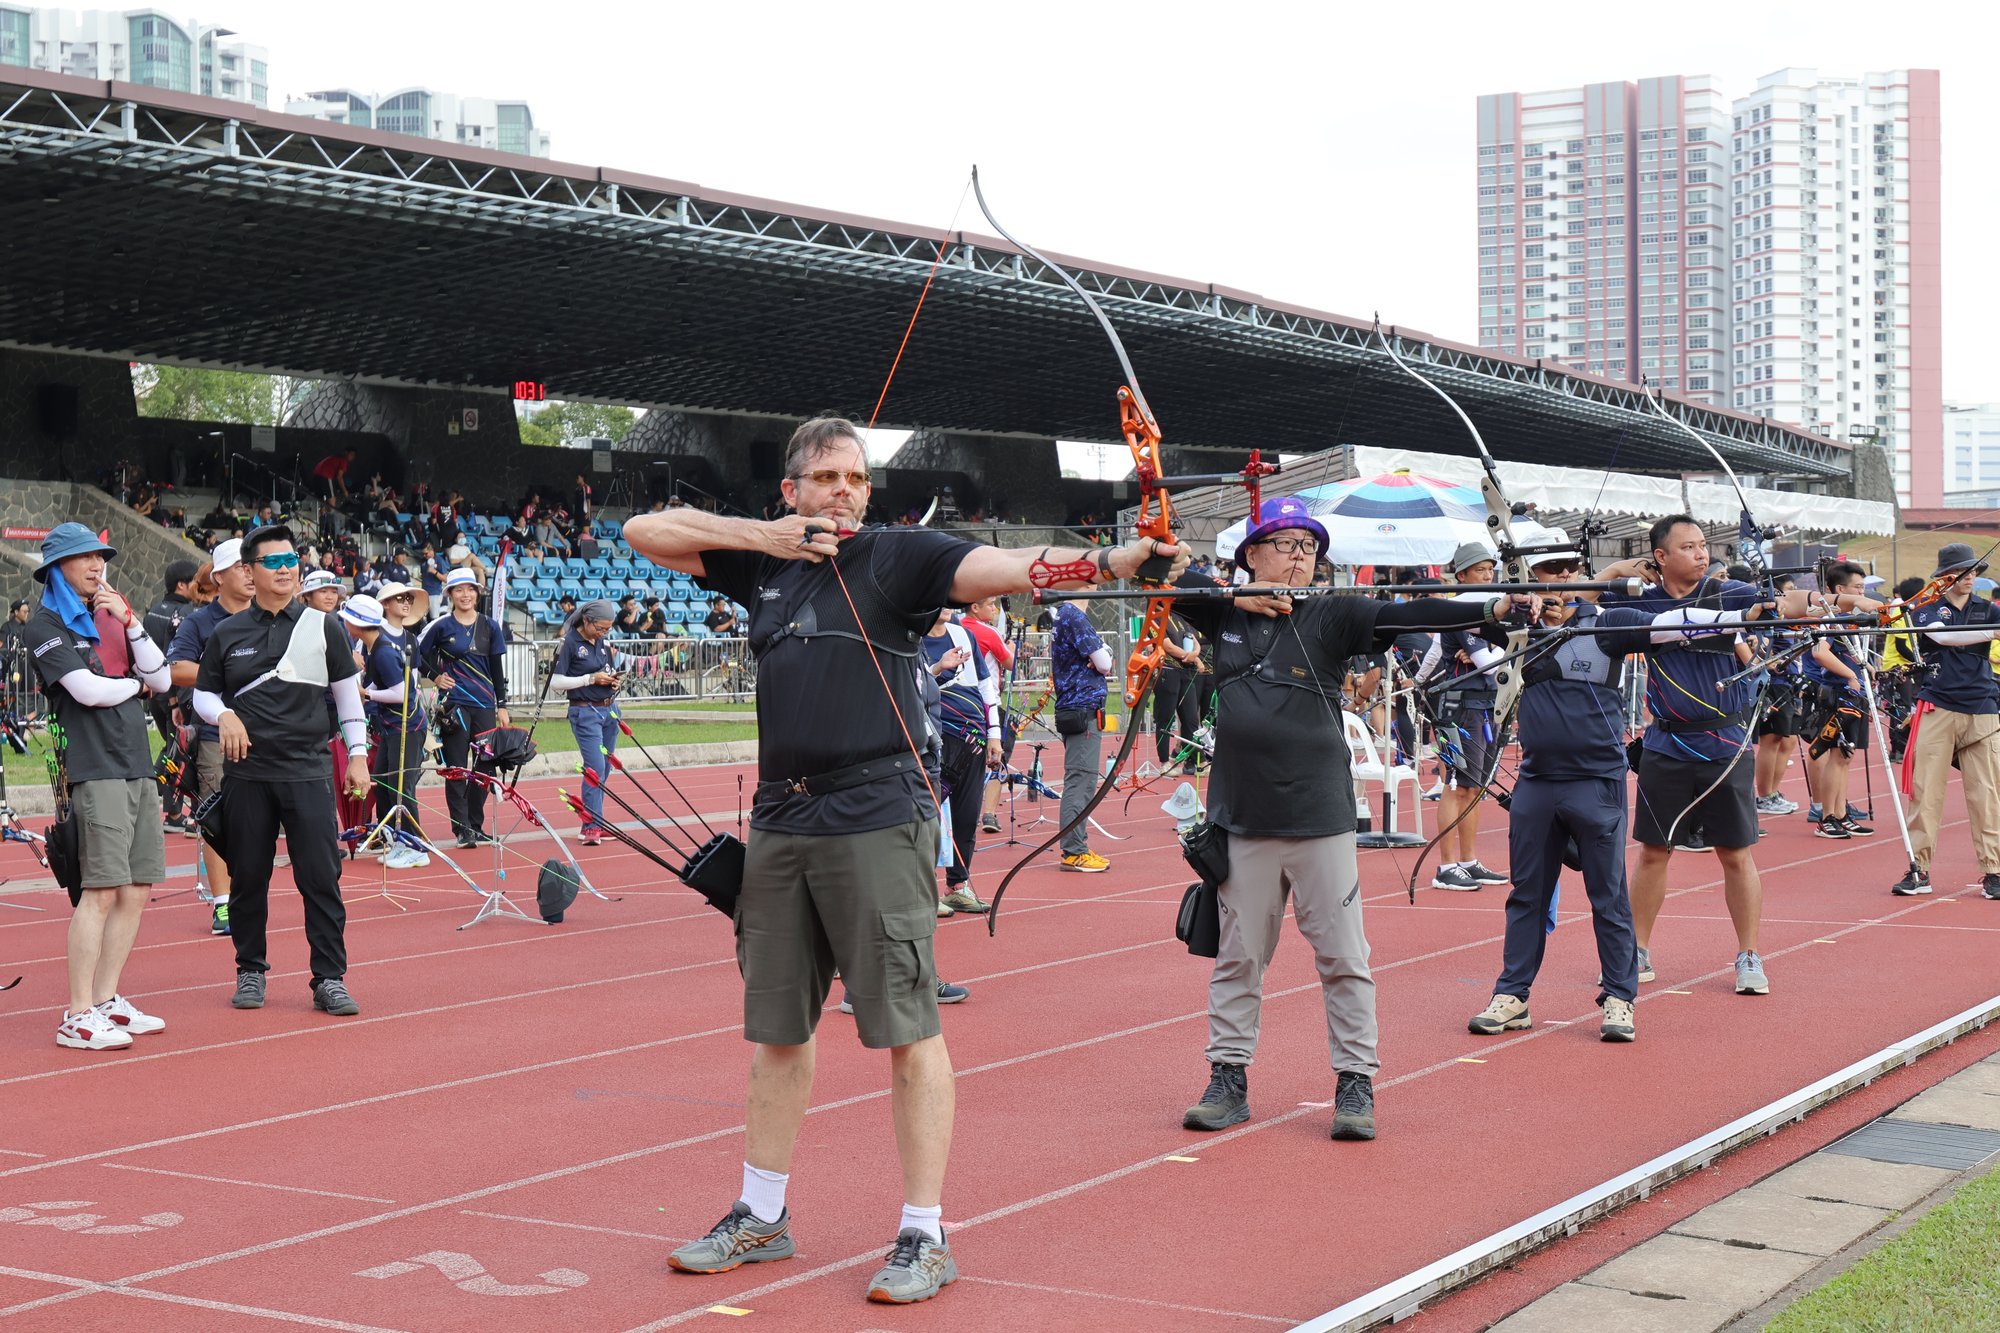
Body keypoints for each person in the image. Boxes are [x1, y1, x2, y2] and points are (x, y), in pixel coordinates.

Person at [625, 414, 1186, 1306]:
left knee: (908, 1030)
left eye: (855, 477)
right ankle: (761, 1214)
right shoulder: (765, 559)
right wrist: (763, 538)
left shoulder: (897, 556)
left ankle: (924, 1232)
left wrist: (1118, 561)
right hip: (780, 819)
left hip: (875, 814)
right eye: (827, 478)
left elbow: (1005, 569)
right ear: (794, 490)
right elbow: (642, 531)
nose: (845, 490)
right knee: (778, 1031)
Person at [1171, 498, 1530, 1142]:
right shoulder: (1221, 608)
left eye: (1310, 547)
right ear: (1250, 554)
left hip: (1319, 817)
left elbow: (1405, 614)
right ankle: (1228, 1079)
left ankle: (1355, 1082)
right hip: (1242, 817)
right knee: (1238, 958)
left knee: (1343, 957)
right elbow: (1162, 575)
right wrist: (1236, 594)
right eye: (1283, 544)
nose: (1300, 556)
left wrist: (1491, 608)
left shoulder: (1333, 611)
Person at [1594, 516, 1837, 993]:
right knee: (1653, 853)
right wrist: (1620, 567)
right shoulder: (1639, 598)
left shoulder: (1729, 593)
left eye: (1704, 545)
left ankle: (1749, 955)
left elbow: (1785, 604)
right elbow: (1580, 601)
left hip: (1725, 745)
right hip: (1666, 743)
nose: (1702, 554)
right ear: (1660, 557)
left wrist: (1816, 600)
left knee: (1735, 853)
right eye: (1689, 547)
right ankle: (1636, 951)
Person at [1467, 529, 1649, 1043]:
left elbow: (1675, 623)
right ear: (1530, 577)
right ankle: (1512, 996)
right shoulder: (1516, 633)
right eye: (1547, 570)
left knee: (1608, 897)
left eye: (1569, 568)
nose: (1560, 577)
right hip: (1538, 783)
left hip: (1597, 781)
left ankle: (1619, 999)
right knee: (1527, 895)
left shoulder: (1608, 625)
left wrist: (1613, 580)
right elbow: (1462, 616)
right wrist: (1507, 605)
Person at [192, 525, 371, 1017]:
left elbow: (346, 698)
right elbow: (204, 692)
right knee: (249, 877)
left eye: (291, 559)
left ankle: (329, 979)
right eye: (273, 562)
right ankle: (250, 969)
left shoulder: (324, 625)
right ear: (249, 571)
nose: (286, 568)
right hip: (247, 775)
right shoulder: (227, 632)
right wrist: (222, 715)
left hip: (309, 771)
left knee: (320, 877)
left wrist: (357, 755)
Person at [27, 524, 173, 1050]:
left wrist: (132, 624)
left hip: (137, 762)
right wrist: (134, 685)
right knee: (102, 890)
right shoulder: (45, 622)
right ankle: (77, 1012)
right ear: (56, 567)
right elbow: (86, 691)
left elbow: (161, 678)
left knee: (136, 890)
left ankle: (108, 1000)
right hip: (95, 767)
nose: (96, 567)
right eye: (83, 558)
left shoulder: (113, 612)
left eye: (100, 558)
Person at [1893, 543, 2000, 898]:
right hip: (1937, 705)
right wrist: (1992, 631)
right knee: (1926, 792)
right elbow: (1943, 636)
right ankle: (1919, 869)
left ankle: (1993, 871)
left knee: (1987, 794)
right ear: (1943, 577)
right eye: (1962, 572)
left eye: (1973, 572)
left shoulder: (1987, 608)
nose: (1969, 578)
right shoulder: (1926, 608)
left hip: (1983, 706)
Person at [168, 538, 254, 937]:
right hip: (214, 735)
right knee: (217, 819)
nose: (251, 572)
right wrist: (225, 670)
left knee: (258, 821)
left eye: (255, 564)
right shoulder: (199, 621)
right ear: (219, 577)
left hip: (268, 734)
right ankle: (222, 904)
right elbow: (176, 669)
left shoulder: (272, 615)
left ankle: (248, 897)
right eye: (241, 566)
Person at [1423, 541, 1509, 891]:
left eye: (1490, 569)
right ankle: (1446, 867)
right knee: (1455, 786)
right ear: (1462, 576)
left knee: (1475, 788)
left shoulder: (1486, 610)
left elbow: (1504, 653)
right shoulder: (1462, 609)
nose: (1488, 575)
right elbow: (1494, 663)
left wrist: (1491, 651)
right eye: (1480, 570)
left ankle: (1469, 861)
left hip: (1484, 706)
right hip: (1458, 709)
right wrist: (1491, 651)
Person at [417, 568, 511, 847]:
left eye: (470, 589)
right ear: (450, 594)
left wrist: (502, 706)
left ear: (477, 593)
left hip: (484, 704)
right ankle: (461, 830)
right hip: (454, 706)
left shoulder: (490, 626)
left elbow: (497, 669)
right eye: (459, 590)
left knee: (485, 766)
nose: (465, 595)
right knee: (456, 767)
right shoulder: (441, 626)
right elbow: (417, 653)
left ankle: (476, 825)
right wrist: (435, 676)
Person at [344, 595, 431, 869]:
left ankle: (416, 847)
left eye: (347, 618)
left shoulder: (382, 652)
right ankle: (396, 840)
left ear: (356, 624)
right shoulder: (372, 648)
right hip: (392, 727)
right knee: (383, 785)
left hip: (408, 727)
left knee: (402, 790)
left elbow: (401, 692)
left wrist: (366, 694)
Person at [921, 608, 997, 913]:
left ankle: (958, 886)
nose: (949, 601)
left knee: (967, 815)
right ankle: (921, 890)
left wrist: (994, 734)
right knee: (926, 813)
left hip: (974, 740)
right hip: (935, 737)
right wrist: (939, 667)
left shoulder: (963, 634)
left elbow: (985, 683)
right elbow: (908, 684)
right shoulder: (911, 638)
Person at [1801, 562, 1876, 841]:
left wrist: (1863, 666)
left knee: (1845, 756)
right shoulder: (1832, 618)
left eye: (1863, 587)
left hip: (1852, 693)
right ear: (1840, 590)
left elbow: (1846, 653)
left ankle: (1842, 814)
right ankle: (1827, 817)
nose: (1861, 592)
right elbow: (1821, 652)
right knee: (1836, 753)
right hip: (1838, 695)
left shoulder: (1848, 618)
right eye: (1857, 587)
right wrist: (1850, 675)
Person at [1047, 593, 1115, 872]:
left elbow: (1103, 654)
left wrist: (1103, 653)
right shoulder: (1074, 615)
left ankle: (1076, 846)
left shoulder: (1066, 615)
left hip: (1078, 707)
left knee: (1081, 779)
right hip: (1081, 708)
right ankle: (1074, 851)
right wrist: (1103, 654)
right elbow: (1104, 662)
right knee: (1081, 781)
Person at [550, 601, 626, 847]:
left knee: (604, 768)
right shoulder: (569, 643)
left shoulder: (602, 642)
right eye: (601, 628)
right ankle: (590, 825)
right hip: (585, 712)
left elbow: (608, 670)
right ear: (587, 621)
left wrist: (614, 682)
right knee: (593, 768)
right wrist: (589, 679)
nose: (604, 633)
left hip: (609, 710)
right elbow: (556, 682)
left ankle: (598, 821)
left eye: (608, 629)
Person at [143, 559, 201, 831]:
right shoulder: (185, 614)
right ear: (181, 584)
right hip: (174, 694)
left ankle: (171, 809)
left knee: (171, 748)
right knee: (178, 751)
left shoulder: (153, 612)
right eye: (195, 582)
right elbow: (175, 657)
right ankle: (173, 812)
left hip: (155, 692)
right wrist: (175, 699)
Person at [1152, 610, 1205, 772]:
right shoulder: (1154, 618)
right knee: (1165, 720)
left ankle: (1198, 760)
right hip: (1167, 672)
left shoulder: (1180, 617)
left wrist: (1195, 653)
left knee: (1191, 719)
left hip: (1186, 672)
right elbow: (1167, 646)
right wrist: (1193, 658)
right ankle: (1164, 762)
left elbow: (1193, 639)